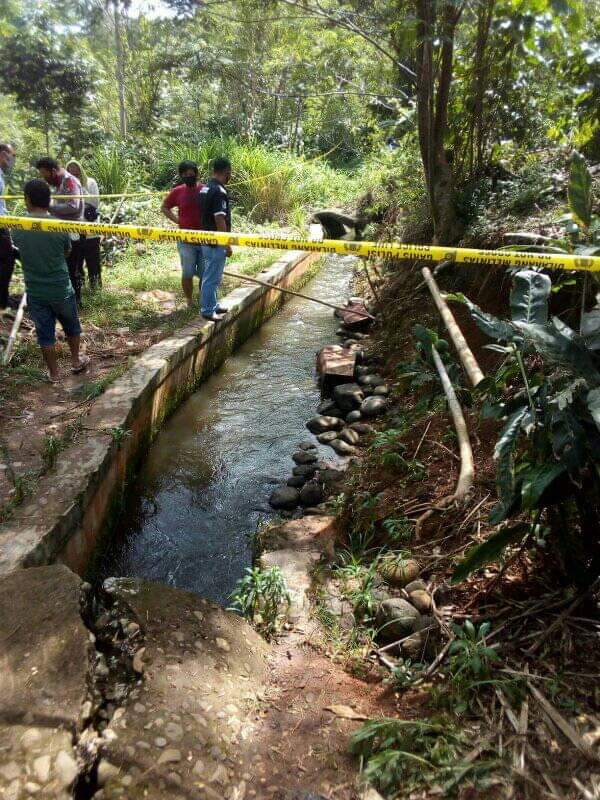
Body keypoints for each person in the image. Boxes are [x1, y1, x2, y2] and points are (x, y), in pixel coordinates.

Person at [11, 179, 89, 382]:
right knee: (72, 327)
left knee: (45, 335)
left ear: (27, 199)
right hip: (61, 288)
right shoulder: (57, 225)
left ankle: (54, 374)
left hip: (36, 292)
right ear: (49, 199)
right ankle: (75, 361)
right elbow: (67, 251)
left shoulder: (18, 227)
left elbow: (19, 249)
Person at [35, 157, 85, 304]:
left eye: (45, 174)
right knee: (63, 268)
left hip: (74, 232)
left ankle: (76, 302)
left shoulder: (69, 181)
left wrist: (49, 208)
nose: (43, 177)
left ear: (53, 171)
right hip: (62, 232)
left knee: (72, 269)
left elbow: (73, 206)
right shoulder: (58, 184)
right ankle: (66, 299)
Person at [161, 160, 205, 308]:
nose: (188, 176)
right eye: (185, 174)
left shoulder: (205, 190)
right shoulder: (177, 191)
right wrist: (177, 220)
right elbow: (165, 207)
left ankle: (203, 299)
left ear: (196, 174)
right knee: (187, 272)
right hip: (185, 240)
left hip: (205, 239)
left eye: (191, 173)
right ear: (181, 176)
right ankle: (189, 301)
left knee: (204, 272)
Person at [198, 157, 233, 322]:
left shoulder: (205, 188)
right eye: (229, 173)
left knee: (213, 274)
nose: (230, 175)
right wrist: (226, 244)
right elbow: (219, 219)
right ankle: (207, 310)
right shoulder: (219, 191)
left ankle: (213, 304)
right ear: (227, 172)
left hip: (206, 237)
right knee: (211, 276)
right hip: (215, 241)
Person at [66, 159, 102, 289]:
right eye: (71, 173)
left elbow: (95, 202)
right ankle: (79, 288)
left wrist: (80, 192)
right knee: (77, 262)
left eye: (77, 172)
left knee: (93, 261)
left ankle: (96, 287)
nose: (75, 175)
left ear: (81, 171)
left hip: (91, 228)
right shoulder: (66, 187)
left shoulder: (91, 183)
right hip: (74, 231)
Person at [0, 143, 18, 309]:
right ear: (3, 154)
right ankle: (2, 300)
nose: (12, 160)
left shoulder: (1, 174)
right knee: (7, 259)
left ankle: (4, 297)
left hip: (3, 223)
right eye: (11, 156)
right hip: (0, 227)